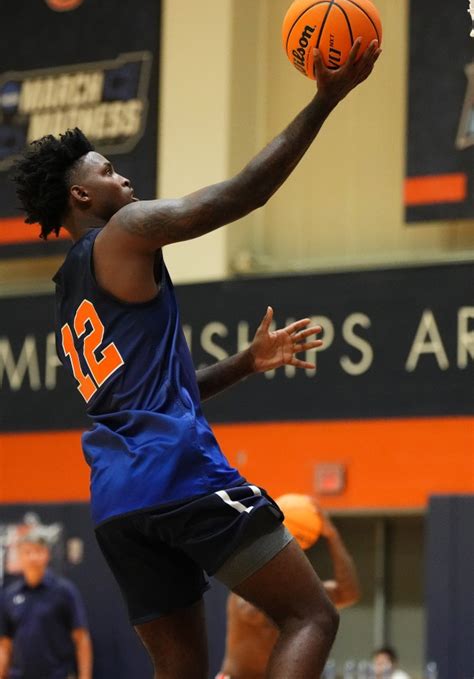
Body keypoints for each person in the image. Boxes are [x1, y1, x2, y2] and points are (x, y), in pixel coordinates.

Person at [12, 39, 380, 679]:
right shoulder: (123, 234)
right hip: (178, 475)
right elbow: (239, 195)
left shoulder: (69, 293)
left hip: (117, 506)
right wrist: (324, 101)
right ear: (80, 197)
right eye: (106, 171)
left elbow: (159, 395)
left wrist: (246, 362)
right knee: (312, 616)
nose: (123, 178)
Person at [218, 500, 361, 679]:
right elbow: (252, 612)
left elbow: (348, 593)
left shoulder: (300, 593)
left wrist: (332, 536)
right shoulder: (248, 585)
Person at [0, 530, 92, 679]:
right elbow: (5, 644)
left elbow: (81, 639)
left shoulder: (64, 591)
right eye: (27, 552)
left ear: (47, 554)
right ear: (20, 556)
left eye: (38, 551)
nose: (33, 557)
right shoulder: (9, 595)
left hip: (57, 675)